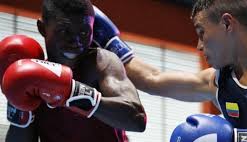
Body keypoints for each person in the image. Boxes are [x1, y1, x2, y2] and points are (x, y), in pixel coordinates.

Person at [119, 0, 247, 141]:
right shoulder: (219, 81)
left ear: (227, 23)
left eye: (201, 32)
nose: (199, 45)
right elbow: (152, 79)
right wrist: (111, 44)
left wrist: (232, 139)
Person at [0, 0, 146, 142]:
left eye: (84, 33)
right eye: (65, 31)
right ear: (43, 28)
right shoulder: (33, 78)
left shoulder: (100, 63)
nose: (75, 41)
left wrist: (71, 93)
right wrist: (17, 100)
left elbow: (137, 119)